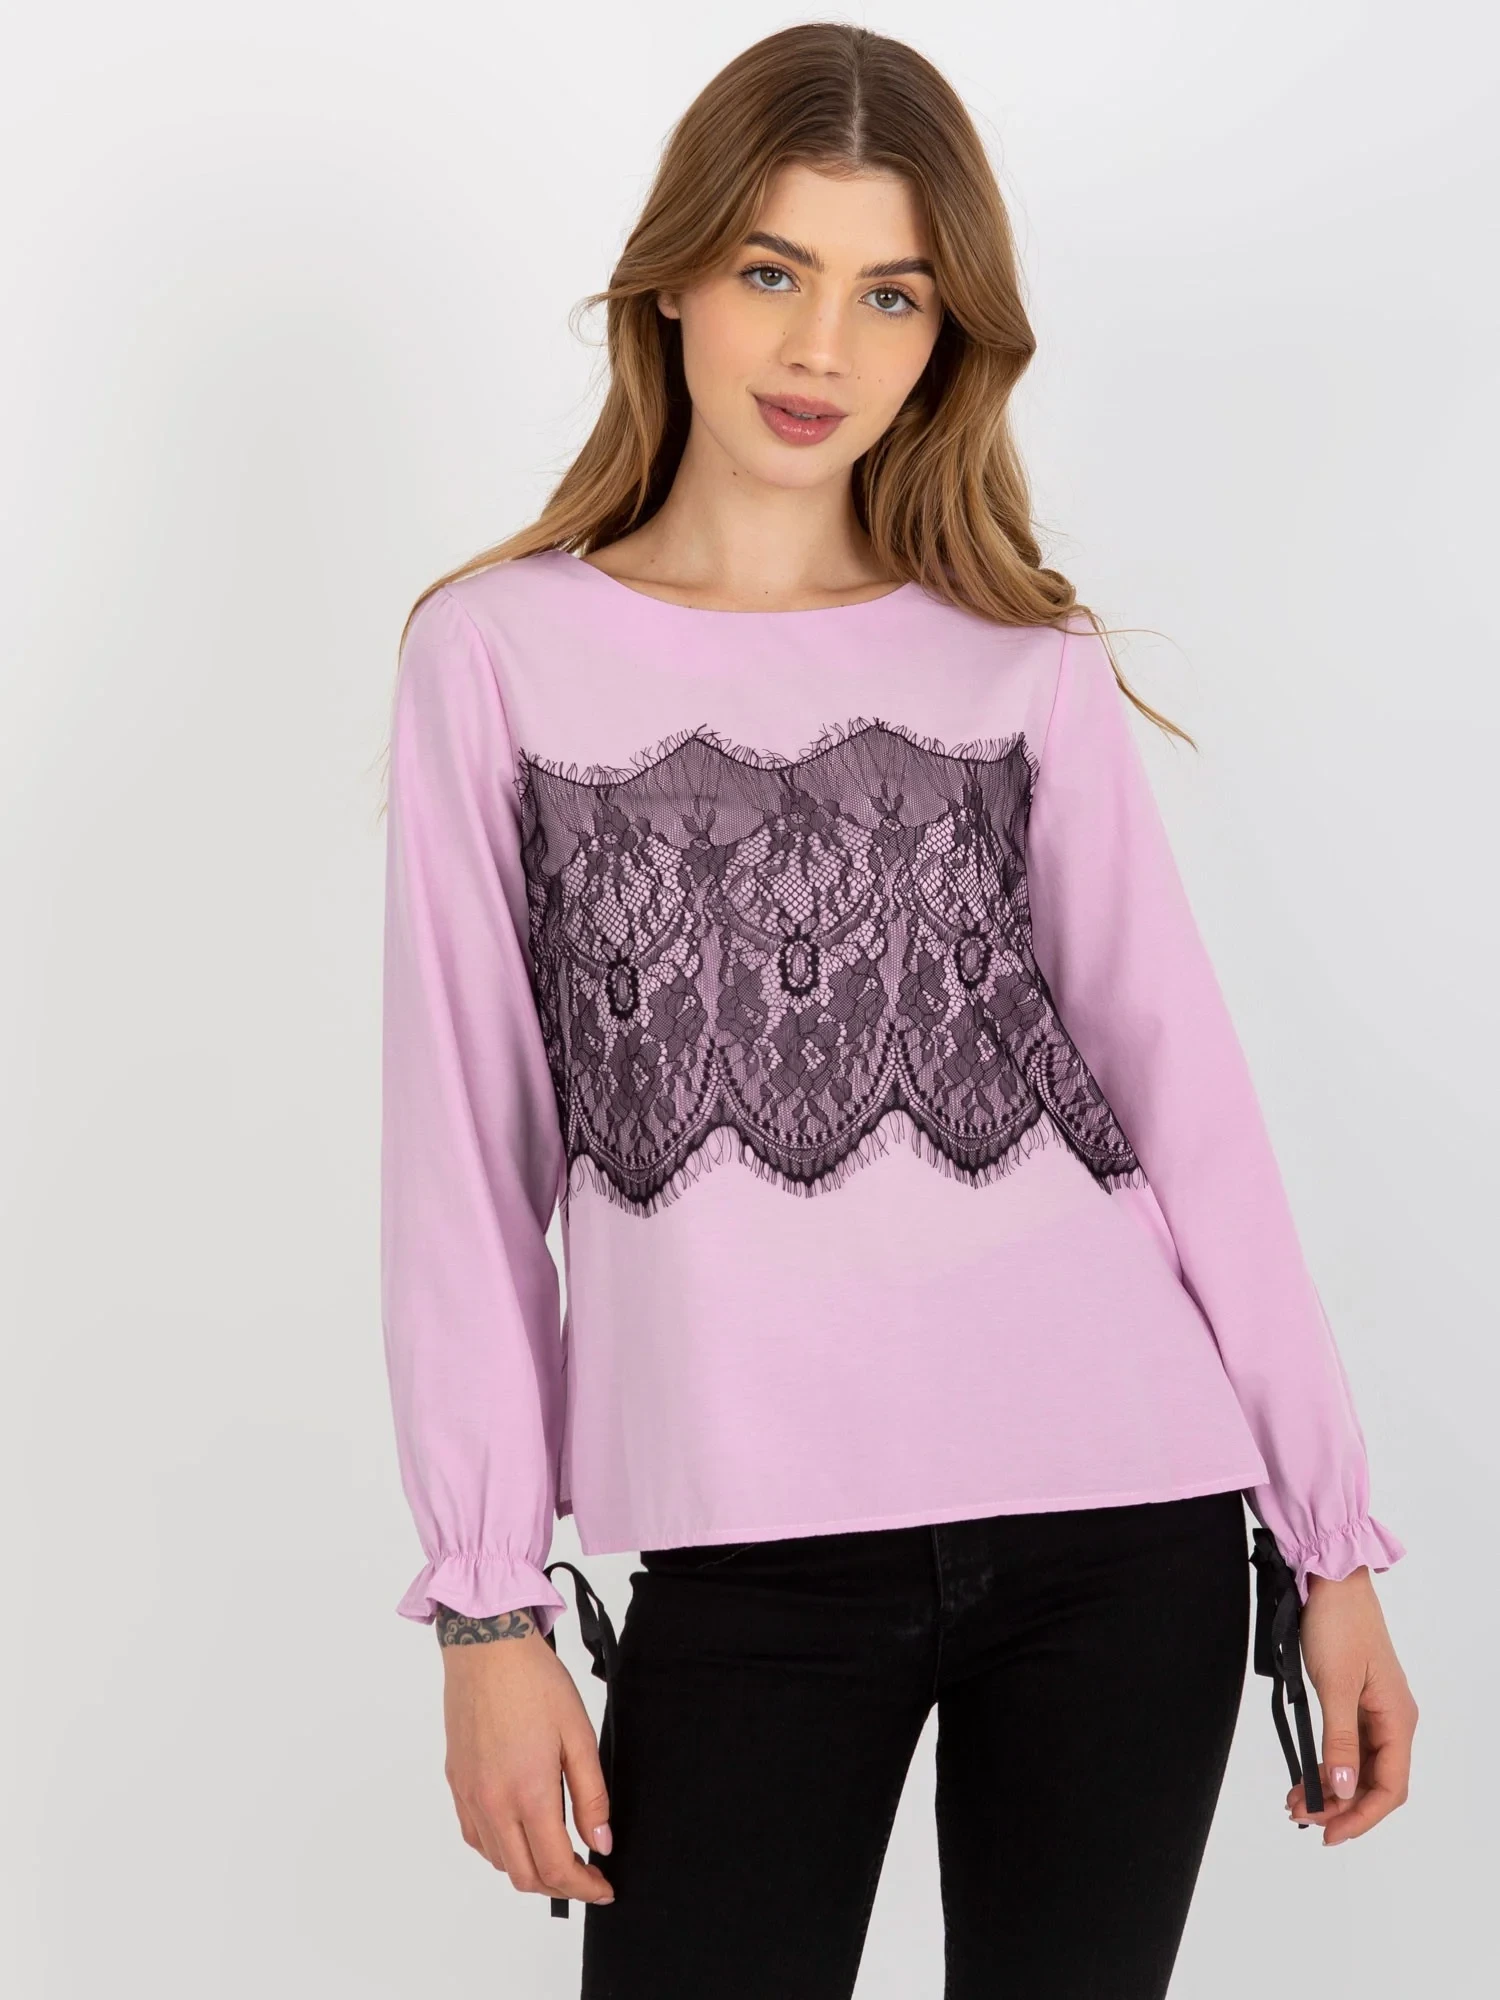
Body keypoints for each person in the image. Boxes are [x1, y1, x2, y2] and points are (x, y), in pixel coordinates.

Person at [376, 22, 1416, 1998]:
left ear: (949, 338)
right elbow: (463, 1163)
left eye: (891, 294)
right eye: (772, 268)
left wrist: (1332, 1538)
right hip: (747, 1558)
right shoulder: (494, 655)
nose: (819, 347)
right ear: (672, 279)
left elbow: (1186, 1100)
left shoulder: (1022, 657)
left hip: (1123, 1518)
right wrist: (489, 1613)